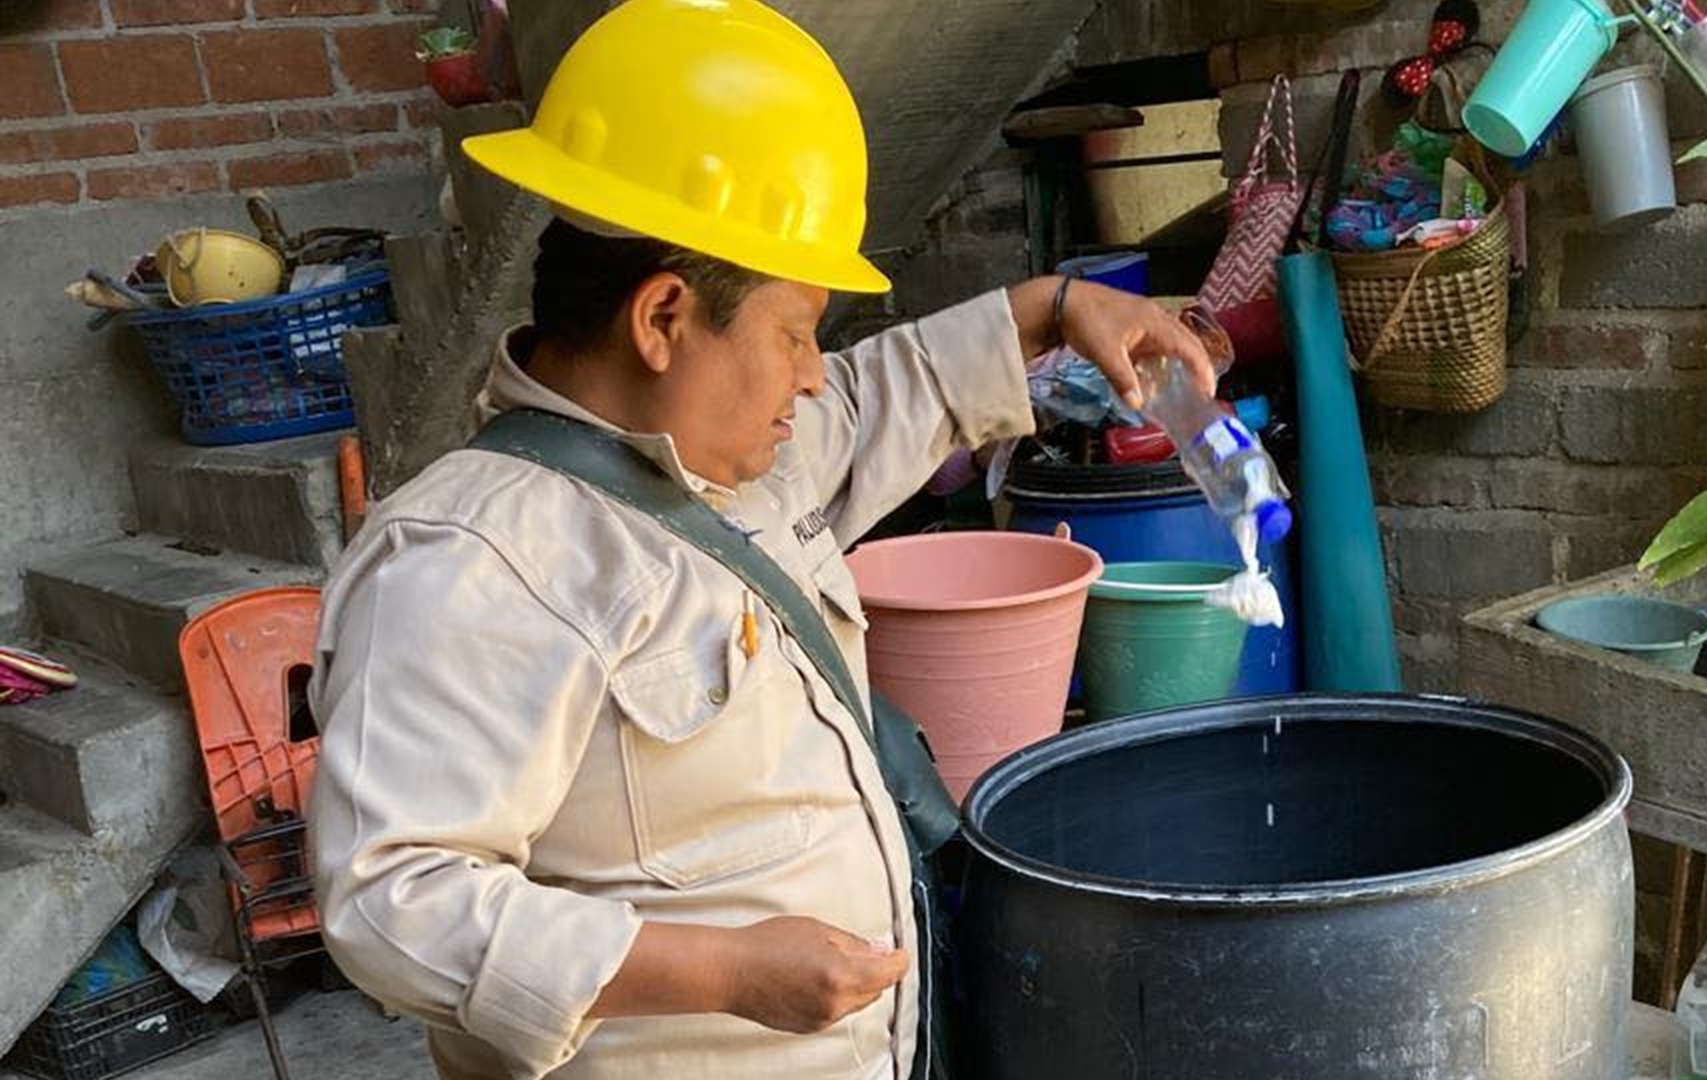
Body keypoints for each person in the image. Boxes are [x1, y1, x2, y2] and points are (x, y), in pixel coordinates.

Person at [306, 2, 1213, 1078]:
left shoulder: (735, 461)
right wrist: (723, 974)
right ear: (661, 320)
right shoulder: (475, 563)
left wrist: (1058, 307)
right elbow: (391, 901)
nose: (814, 373)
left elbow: (893, 391)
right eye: (794, 335)